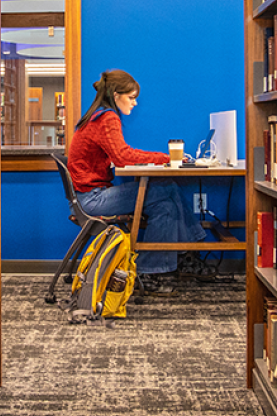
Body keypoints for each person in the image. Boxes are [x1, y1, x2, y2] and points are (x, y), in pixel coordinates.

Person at [66, 69, 209, 281]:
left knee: (165, 207)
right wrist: (166, 158)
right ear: (116, 95)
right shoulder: (107, 117)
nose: (135, 103)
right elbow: (124, 156)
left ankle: (151, 270)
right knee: (167, 187)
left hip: (87, 196)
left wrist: (161, 158)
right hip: (92, 200)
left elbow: (121, 153)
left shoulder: (96, 116)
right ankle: (189, 251)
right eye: (131, 98)